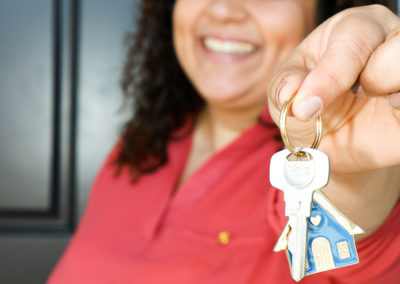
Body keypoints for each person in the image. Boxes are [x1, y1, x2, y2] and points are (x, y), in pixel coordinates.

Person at [48, 0, 400, 283]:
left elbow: (368, 243)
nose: (223, 9)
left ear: (323, 11)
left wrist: (347, 160)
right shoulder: (136, 144)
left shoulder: (323, 152)